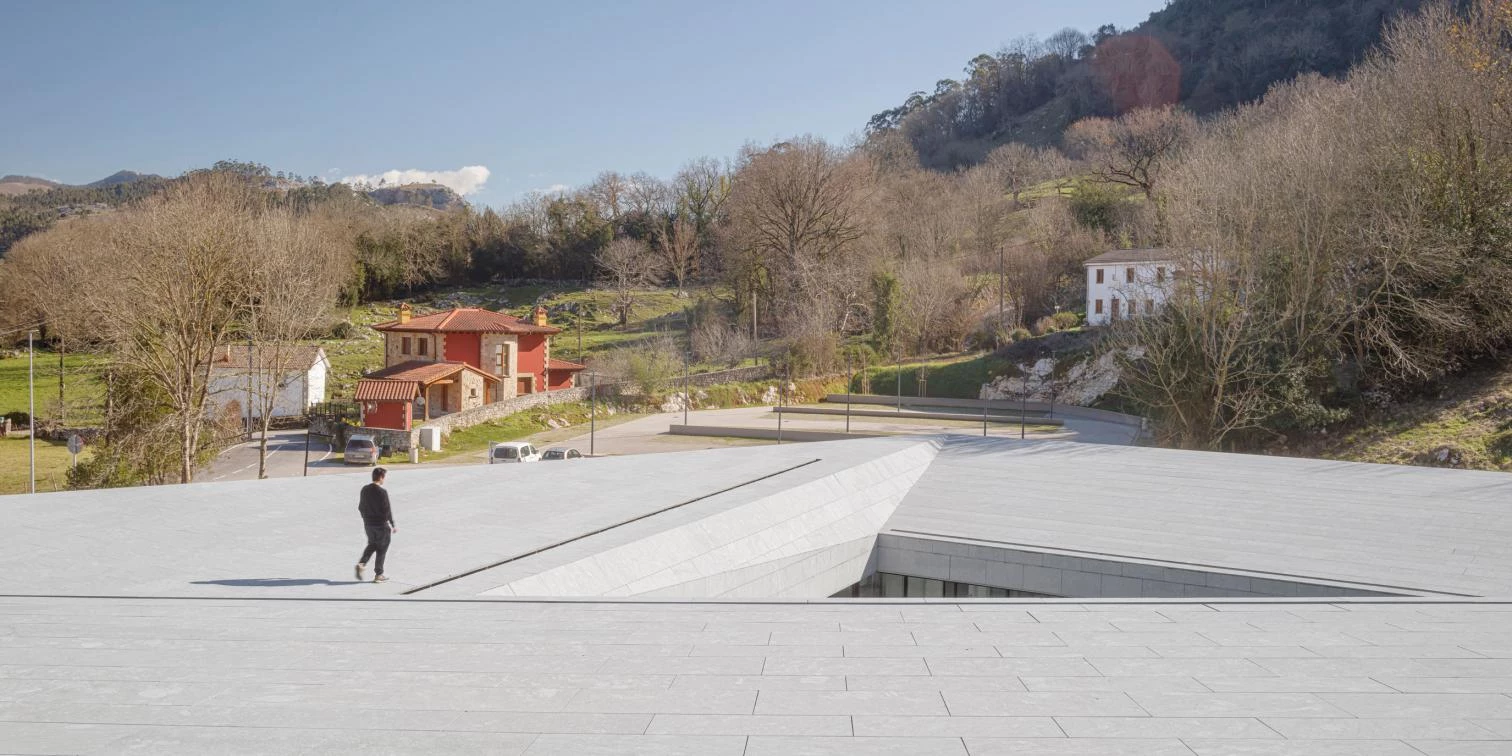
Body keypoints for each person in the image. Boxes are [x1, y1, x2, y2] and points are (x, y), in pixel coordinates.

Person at [355, 467, 396, 583]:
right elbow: (387, 510)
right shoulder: (382, 492)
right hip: (381, 526)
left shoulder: (364, 489)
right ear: (381, 477)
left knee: (372, 544)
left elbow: (360, 507)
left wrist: (366, 519)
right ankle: (379, 574)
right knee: (382, 549)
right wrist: (392, 524)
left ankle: (362, 563)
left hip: (368, 525)